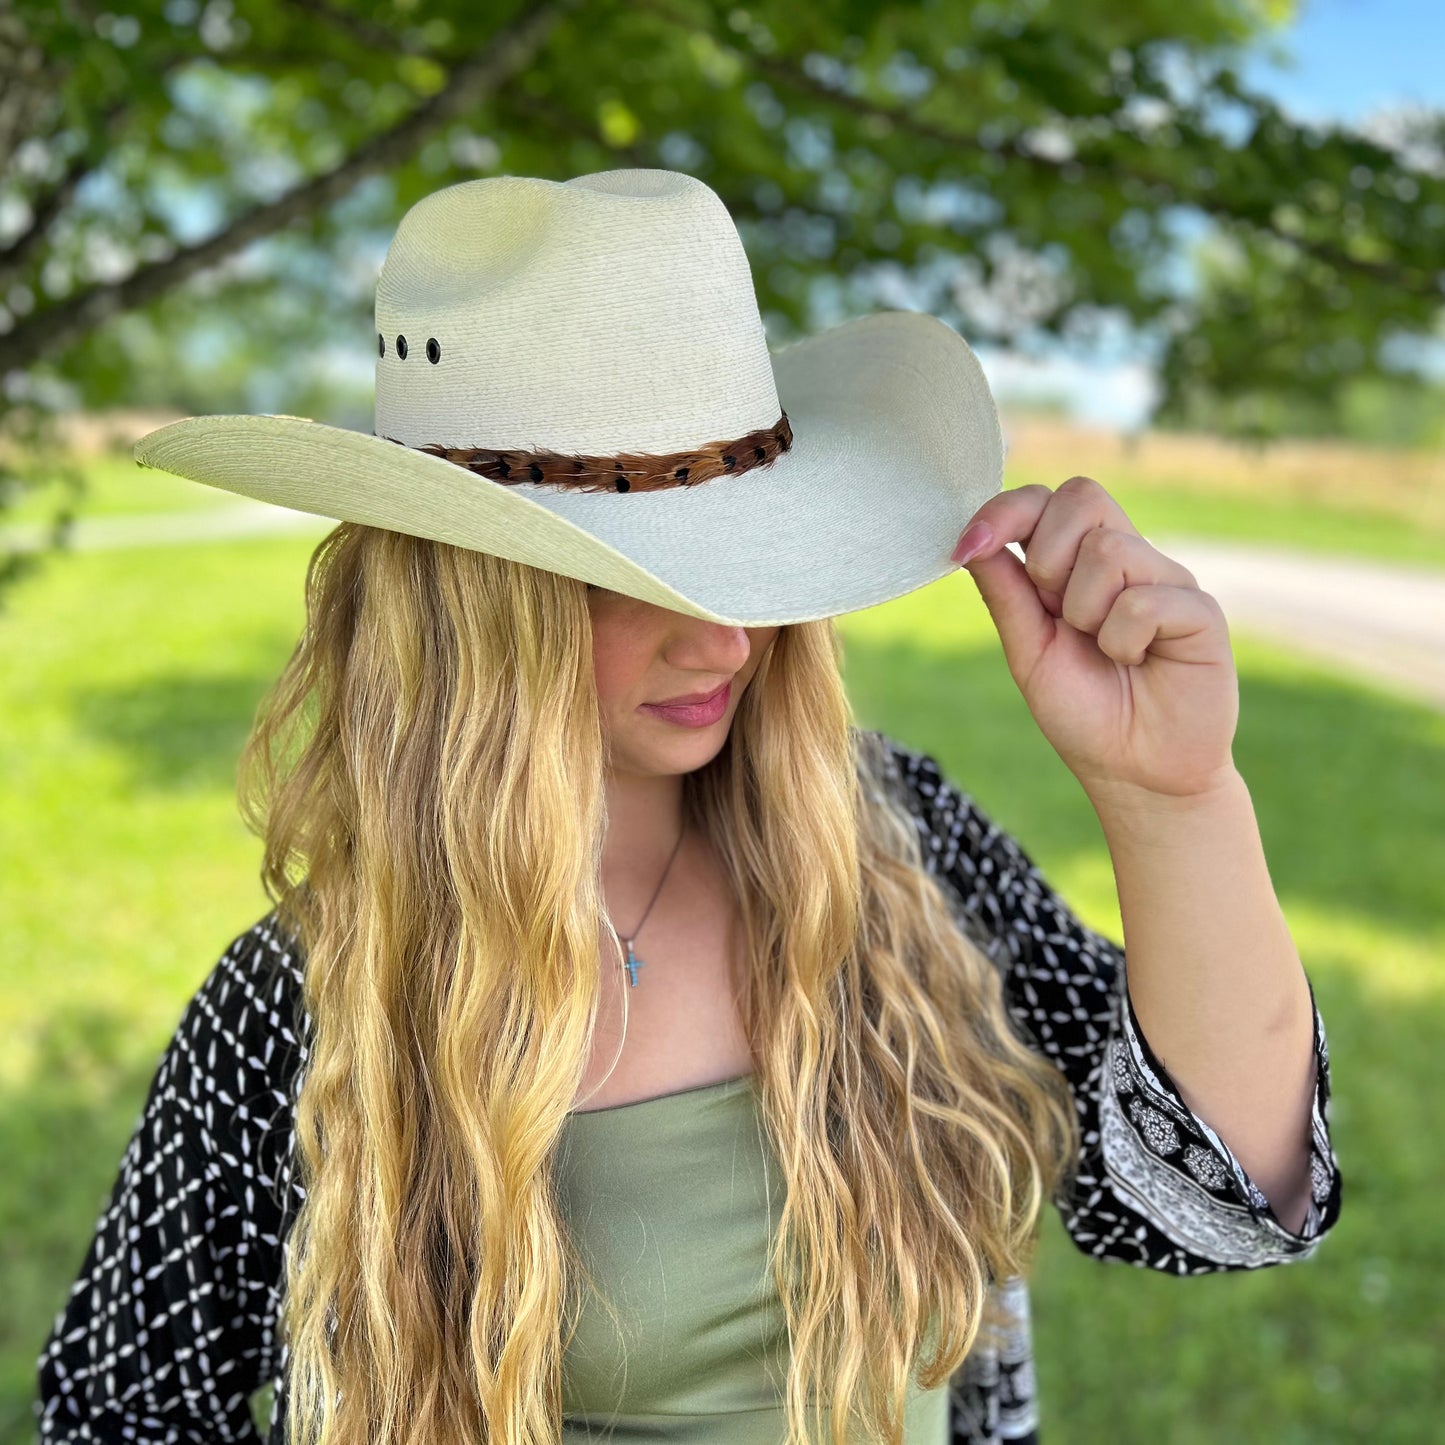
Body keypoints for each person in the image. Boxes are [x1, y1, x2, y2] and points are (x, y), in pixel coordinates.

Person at [34, 169, 1341, 1445]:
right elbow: (116, 1407)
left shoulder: (892, 847)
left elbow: (1211, 1206)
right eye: (638, 576)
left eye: (748, 558)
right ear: (470, 601)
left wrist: (1170, 795)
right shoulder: (318, 1006)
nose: (724, 640)